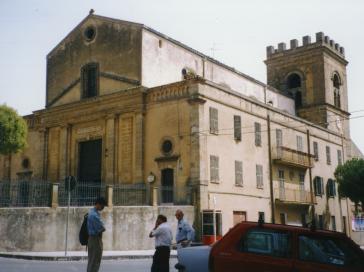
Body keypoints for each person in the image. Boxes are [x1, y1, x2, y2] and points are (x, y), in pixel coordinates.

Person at [87, 197, 107, 272]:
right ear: (98, 204)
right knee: (95, 262)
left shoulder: (91, 212)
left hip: (91, 239)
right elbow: (102, 228)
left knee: (91, 261)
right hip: (95, 239)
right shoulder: (94, 215)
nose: (103, 207)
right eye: (102, 205)